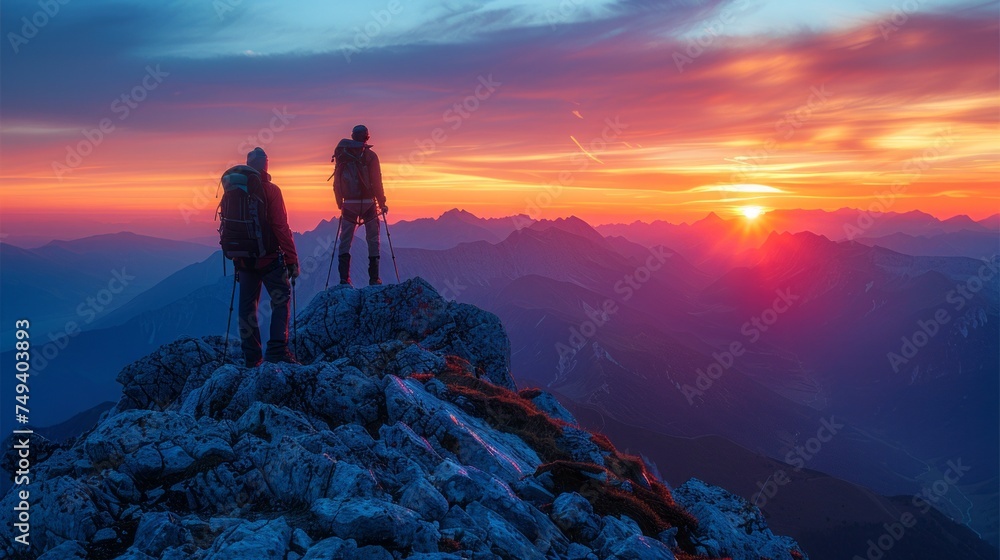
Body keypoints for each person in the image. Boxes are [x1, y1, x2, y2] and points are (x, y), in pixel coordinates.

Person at [236, 147, 299, 367]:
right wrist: (292, 260)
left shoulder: (236, 191)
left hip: (244, 260)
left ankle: (252, 358)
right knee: (281, 298)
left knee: (247, 306)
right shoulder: (271, 190)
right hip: (270, 258)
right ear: (265, 165)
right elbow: (281, 227)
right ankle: (277, 351)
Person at [332, 124, 387, 286]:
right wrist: (382, 202)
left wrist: (339, 202)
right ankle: (374, 278)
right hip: (369, 203)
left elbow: (336, 181)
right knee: (372, 238)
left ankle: (344, 279)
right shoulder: (370, 156)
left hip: (348, 203)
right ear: (366, 137)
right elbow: (377, 181)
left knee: (345, 240)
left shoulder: (343, 154)